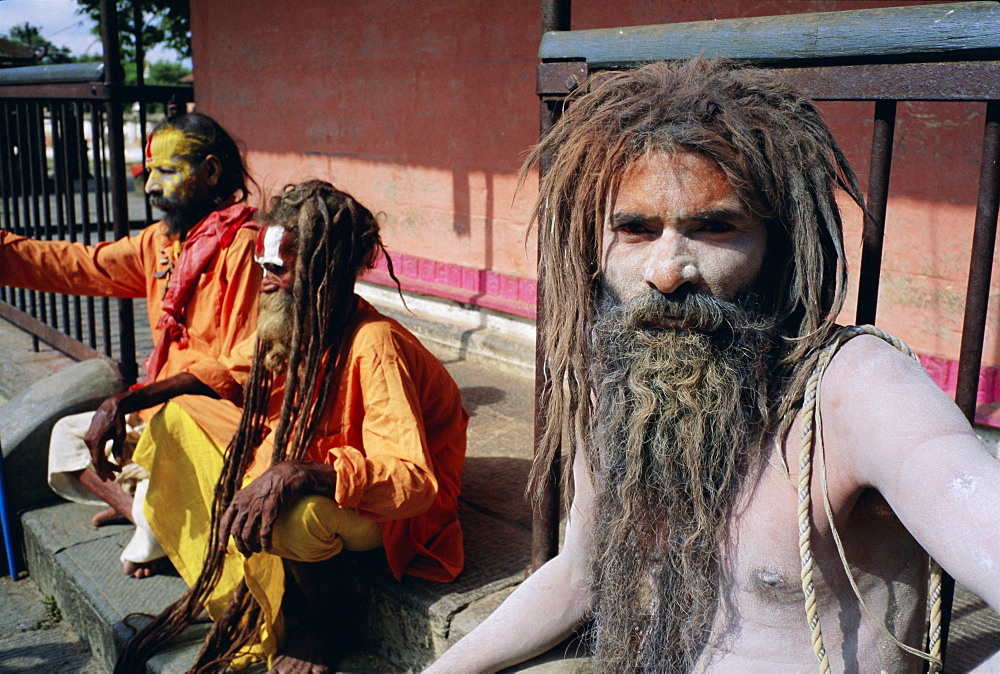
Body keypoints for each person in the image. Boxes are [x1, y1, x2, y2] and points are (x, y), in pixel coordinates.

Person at [428, 58, 1000, 673]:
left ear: (776, 240)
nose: (668, 271)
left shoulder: (855, 389)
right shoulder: (626, 378)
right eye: (637, 229)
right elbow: (580, 575)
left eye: (714, 226)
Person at [115, 179, 469, 673]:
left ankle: (327, 623)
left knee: (288, 513)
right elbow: (229, 371)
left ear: (321, 271)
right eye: (262, 267)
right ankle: (249, 591)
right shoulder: (295, 326)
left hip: (396, 516)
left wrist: (297, 473)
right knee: (177, 418)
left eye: (277, 269)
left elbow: (412, 482)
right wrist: (126, 401)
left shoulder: (375, 345)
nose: (263, 281)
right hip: (326, 476)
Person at [0, 112, 260, 578]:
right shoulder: (160, 242)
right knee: (67, 440)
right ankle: (146, 512)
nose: (153, 185)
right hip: (156, 407)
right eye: (150, 172)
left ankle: (156, 518)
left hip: (214, 416)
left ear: (211, 172)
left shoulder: (242, 248)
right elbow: (82, 265)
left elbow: (239, 368)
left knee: (169, 432)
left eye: (168, 170)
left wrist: (133, 398)